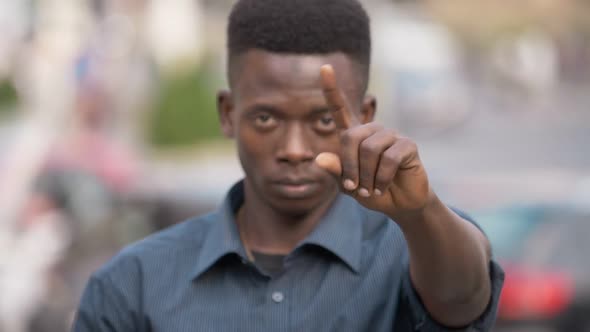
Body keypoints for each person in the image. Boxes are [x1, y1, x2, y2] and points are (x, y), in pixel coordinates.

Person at [72, 0, 504, 331]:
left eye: (323, 120)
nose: (295, 149)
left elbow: (463, 297)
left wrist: (421, 213)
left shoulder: (416, 251)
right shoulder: (132, 285)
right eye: (266, 118)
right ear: (227, 112)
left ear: (366, 115)